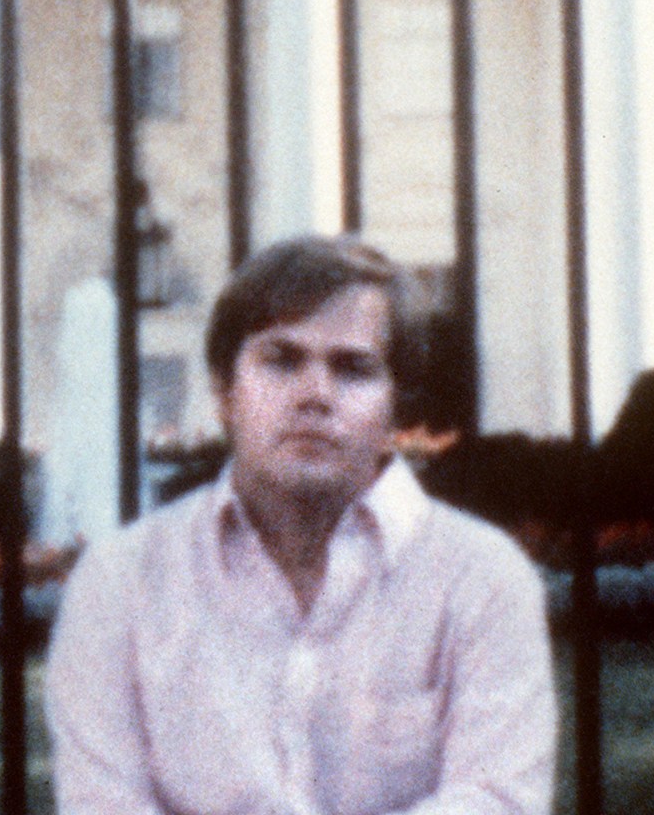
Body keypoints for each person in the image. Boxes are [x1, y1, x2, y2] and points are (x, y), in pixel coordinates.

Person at [45, 234, 555, 815]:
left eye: (353, 368)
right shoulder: (120, 585)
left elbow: (497, 801)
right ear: (222, 393)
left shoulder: (483, 580)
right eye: (282, 360)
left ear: (397, 404)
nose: (315, 395)